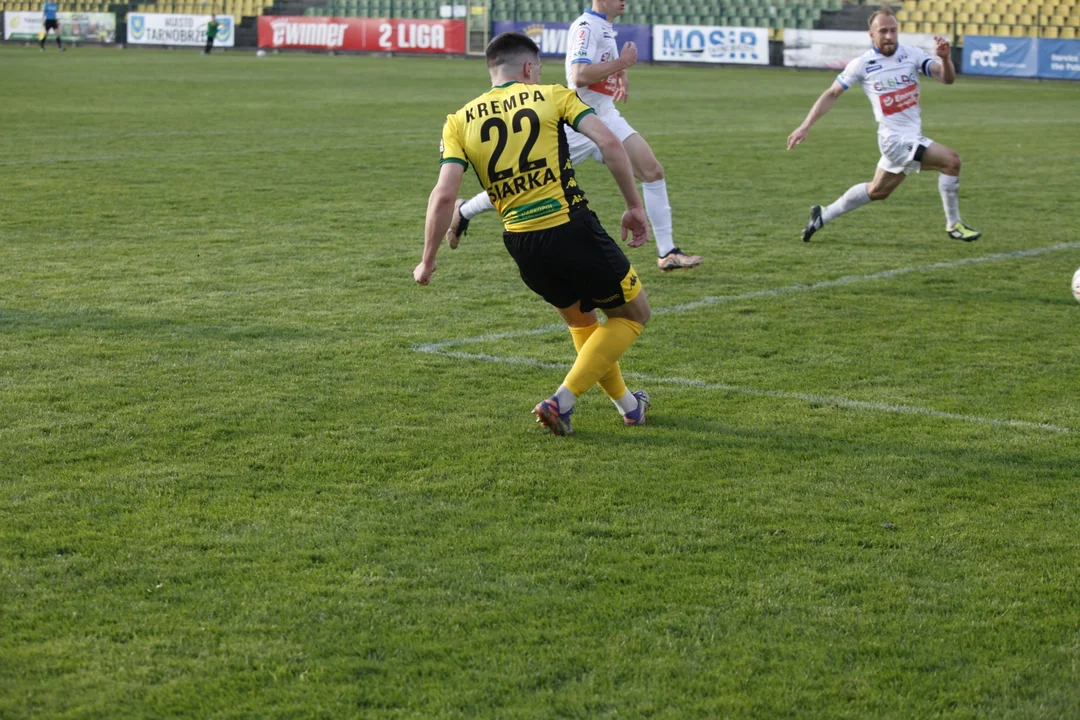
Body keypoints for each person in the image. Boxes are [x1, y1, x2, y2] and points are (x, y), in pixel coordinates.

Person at [414, 32, 653, 436]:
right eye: (538, 68)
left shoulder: (458, 120)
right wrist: (633, 205)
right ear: (528, 68)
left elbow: (444, 196)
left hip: (522, 243)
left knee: (583, 325)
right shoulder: (552, 95)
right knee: (634, 314)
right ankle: (561, 401)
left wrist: (427, 259)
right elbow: (609, 142)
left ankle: (630, 407)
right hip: (570, 226)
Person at [444, 0, 704, 273]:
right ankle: (463, 211)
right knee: (525, 181)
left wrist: (621, 72)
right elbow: (579, 76)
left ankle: (667, 253)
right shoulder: (586, 26)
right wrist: (622, 62)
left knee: (652, 172)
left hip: (605, 114)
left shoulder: (602, 26)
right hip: (581, 120)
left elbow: (600, 62)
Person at [787, 7, 981, 243]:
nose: (889, 36)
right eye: (883, 31)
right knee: (952, 161)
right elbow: (832, 93)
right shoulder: (863, 64)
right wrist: (805, 126)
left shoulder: (912, 54)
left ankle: (822, 215)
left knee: (878, 191)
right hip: (895, 140)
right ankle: (954, 225)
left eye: (893, 30)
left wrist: (945, 58)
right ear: (871, 34)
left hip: (909, 137)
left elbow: (947, 79)